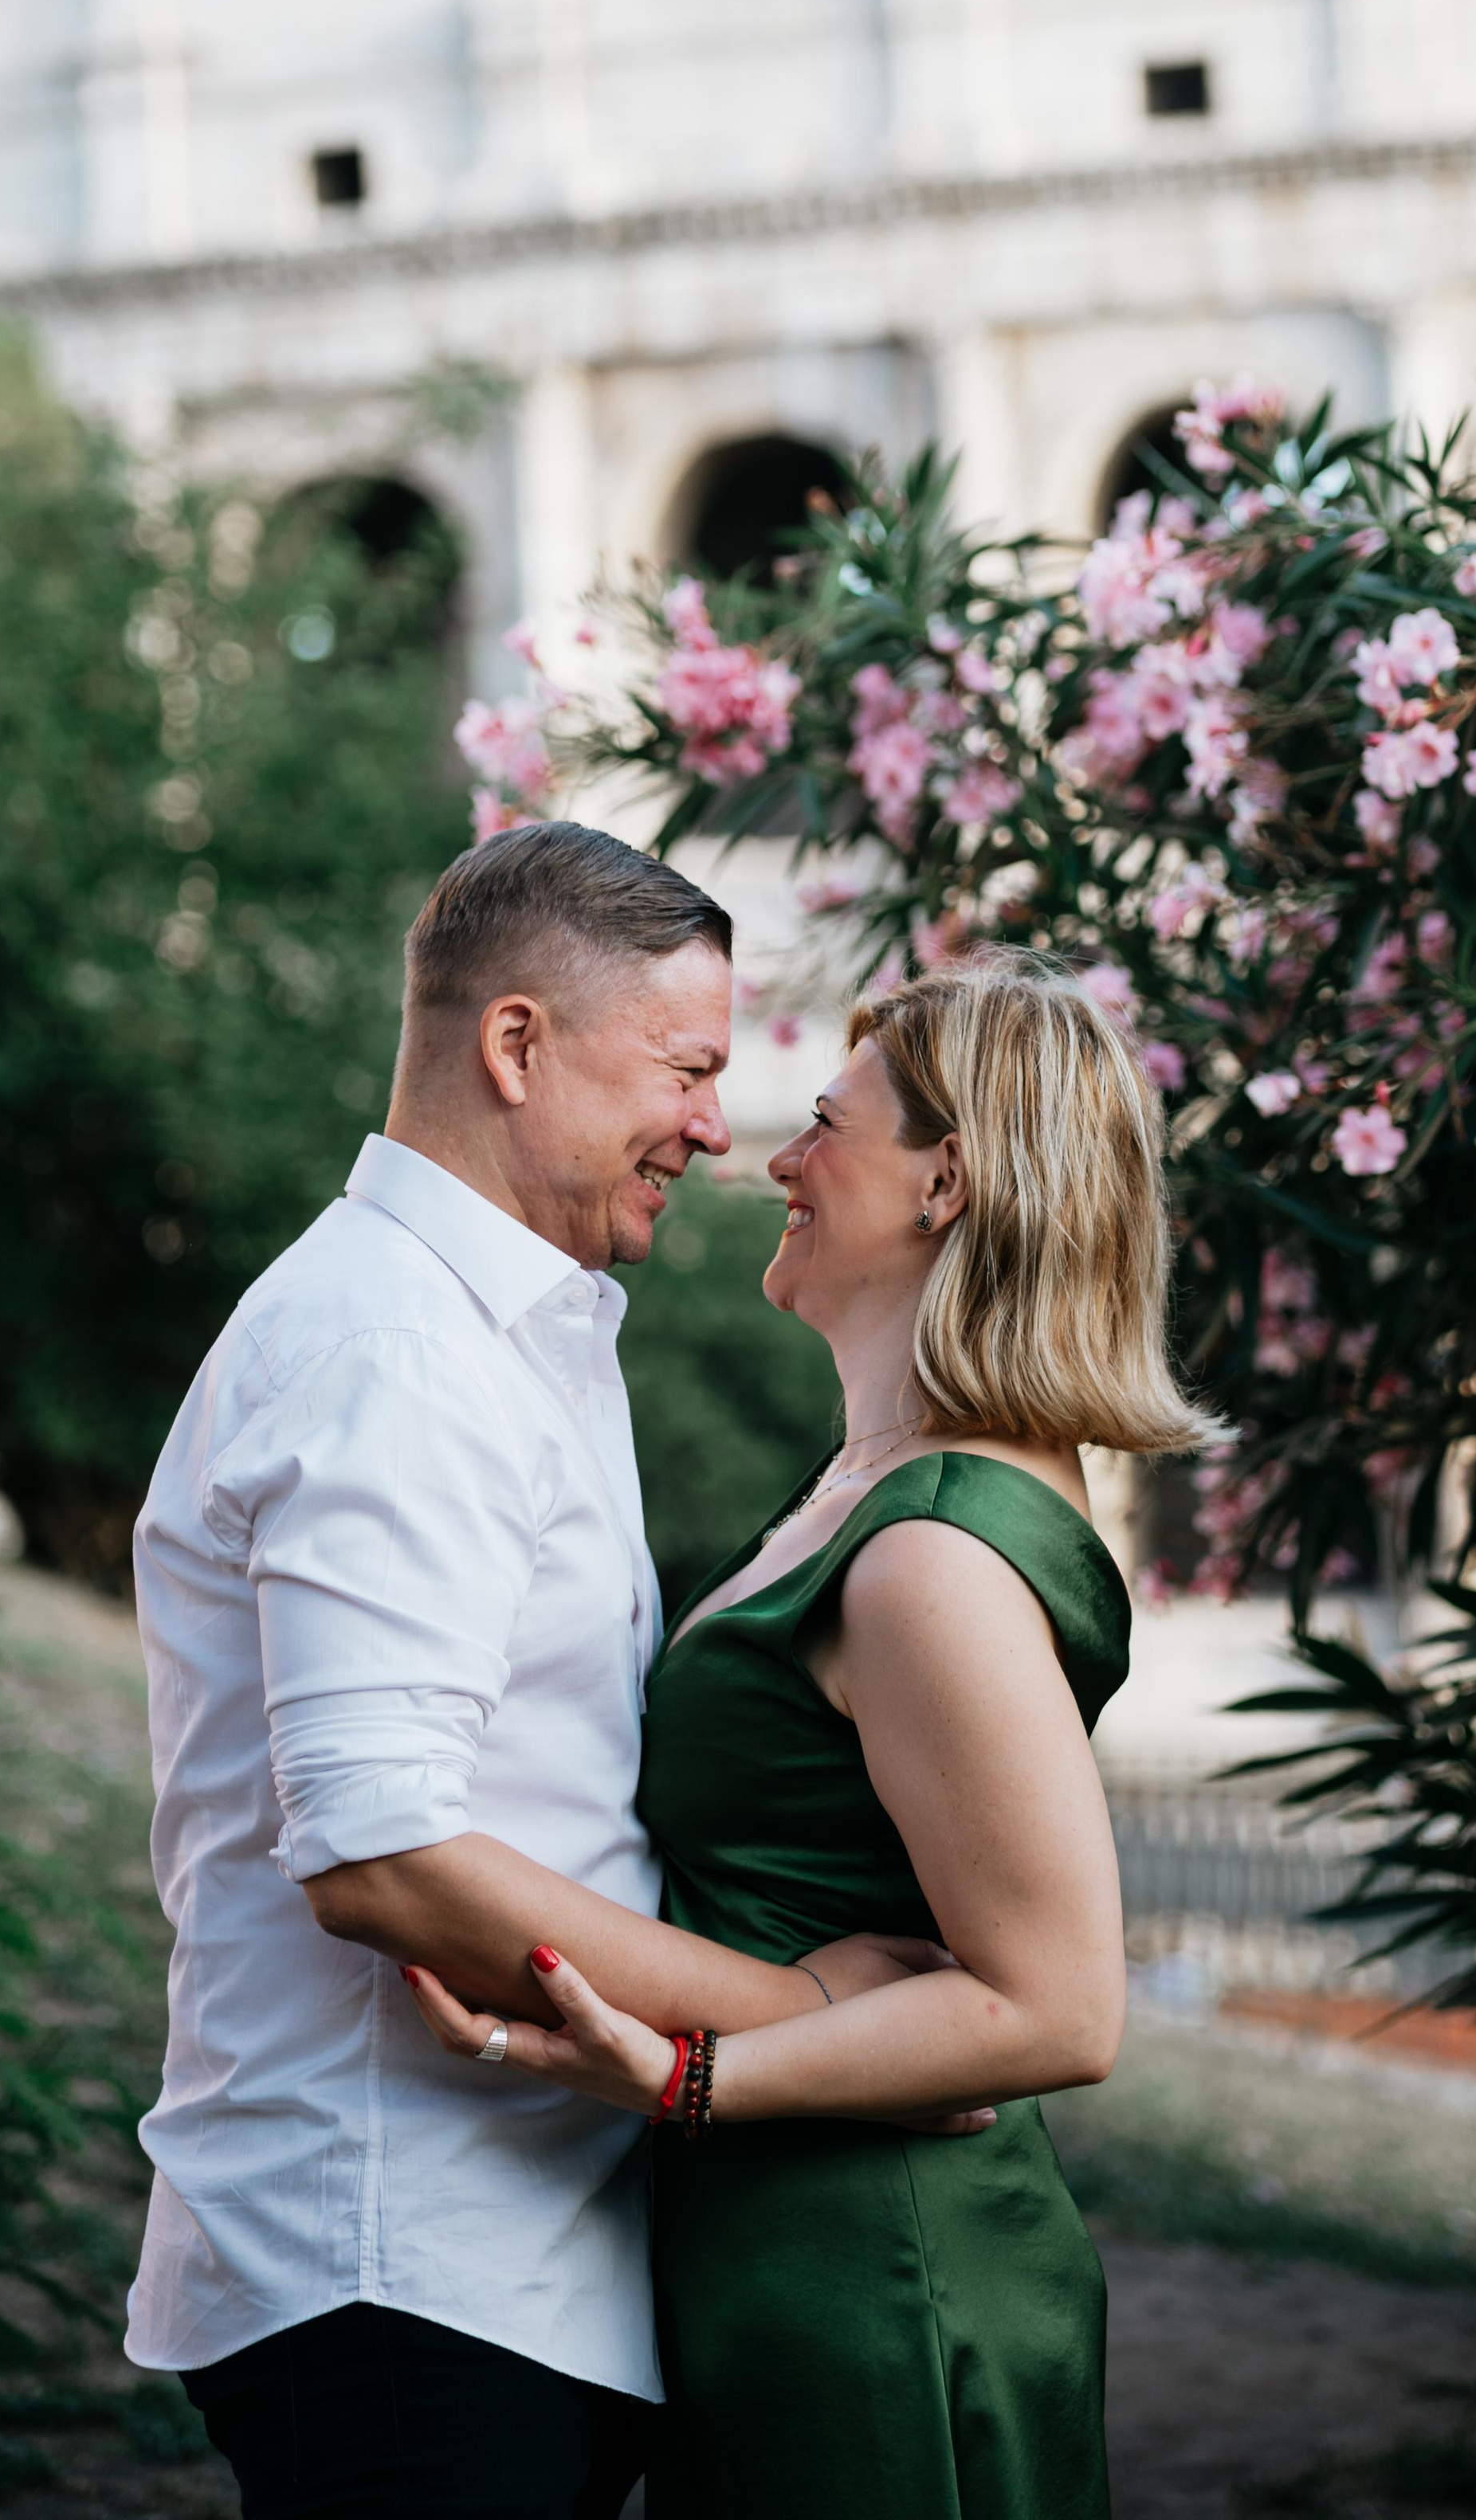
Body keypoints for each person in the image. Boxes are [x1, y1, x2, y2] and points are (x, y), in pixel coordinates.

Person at [127, 824, 948, 2520]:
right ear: (516, 1045)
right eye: (687, 1070)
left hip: (491, 2261)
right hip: (402, 2259)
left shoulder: (501, 1328)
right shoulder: (400, 1350)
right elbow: (379, 1854)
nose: (717, 1128)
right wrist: (797, 2022)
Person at [401, 951, 1223, 2518]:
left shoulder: (932, 1554)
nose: (768, 1157)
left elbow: (1058, 2010)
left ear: (945, 1184)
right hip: (784, 2258)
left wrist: (683, 2078)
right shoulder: (867, 1492)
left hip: (879, 2279)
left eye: (822, 1124)